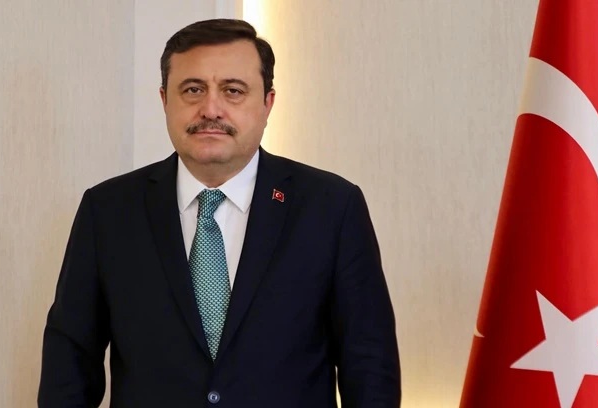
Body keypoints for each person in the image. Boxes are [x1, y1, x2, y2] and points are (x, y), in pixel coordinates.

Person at [38, 18, 401, 408]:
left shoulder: (332, 208)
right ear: (165, 100)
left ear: (268, 104)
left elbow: (370, 369)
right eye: (193, 90)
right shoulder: (108, 211)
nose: (211, 109)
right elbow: (68, 370)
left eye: (233, 91)